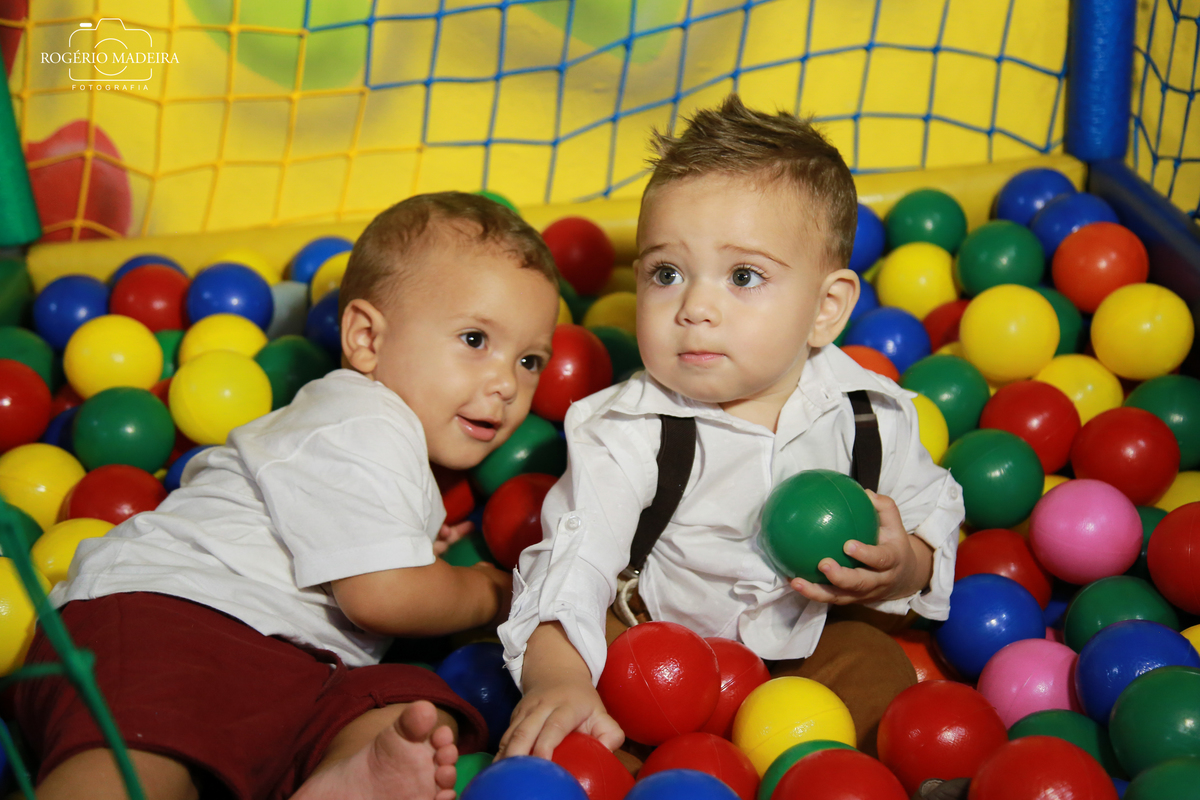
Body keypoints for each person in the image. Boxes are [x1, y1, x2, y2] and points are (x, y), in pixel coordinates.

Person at [6, 192, 562, 800]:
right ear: (366, 338)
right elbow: (383, 595)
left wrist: (416, 544)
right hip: (169, 617)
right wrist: (494, 590)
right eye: (475, 339)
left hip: (289, 665)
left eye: (530, 360)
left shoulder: (376, 436)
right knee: (140, 757)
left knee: (410, 710)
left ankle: (343, 778)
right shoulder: (364, 419)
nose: (506, 382)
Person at [496, 95, 965, 766]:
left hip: (806, 646)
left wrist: (899, 568)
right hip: (656, 649)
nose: (695, 308)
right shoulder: (626, 430)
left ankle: (836, 775)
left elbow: (932, 513)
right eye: (667, 273)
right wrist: (558, 679)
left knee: (875, 664)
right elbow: (574, 561)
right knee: (589, 717)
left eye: (744, 276)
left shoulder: (869, 415)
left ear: (826, 308)